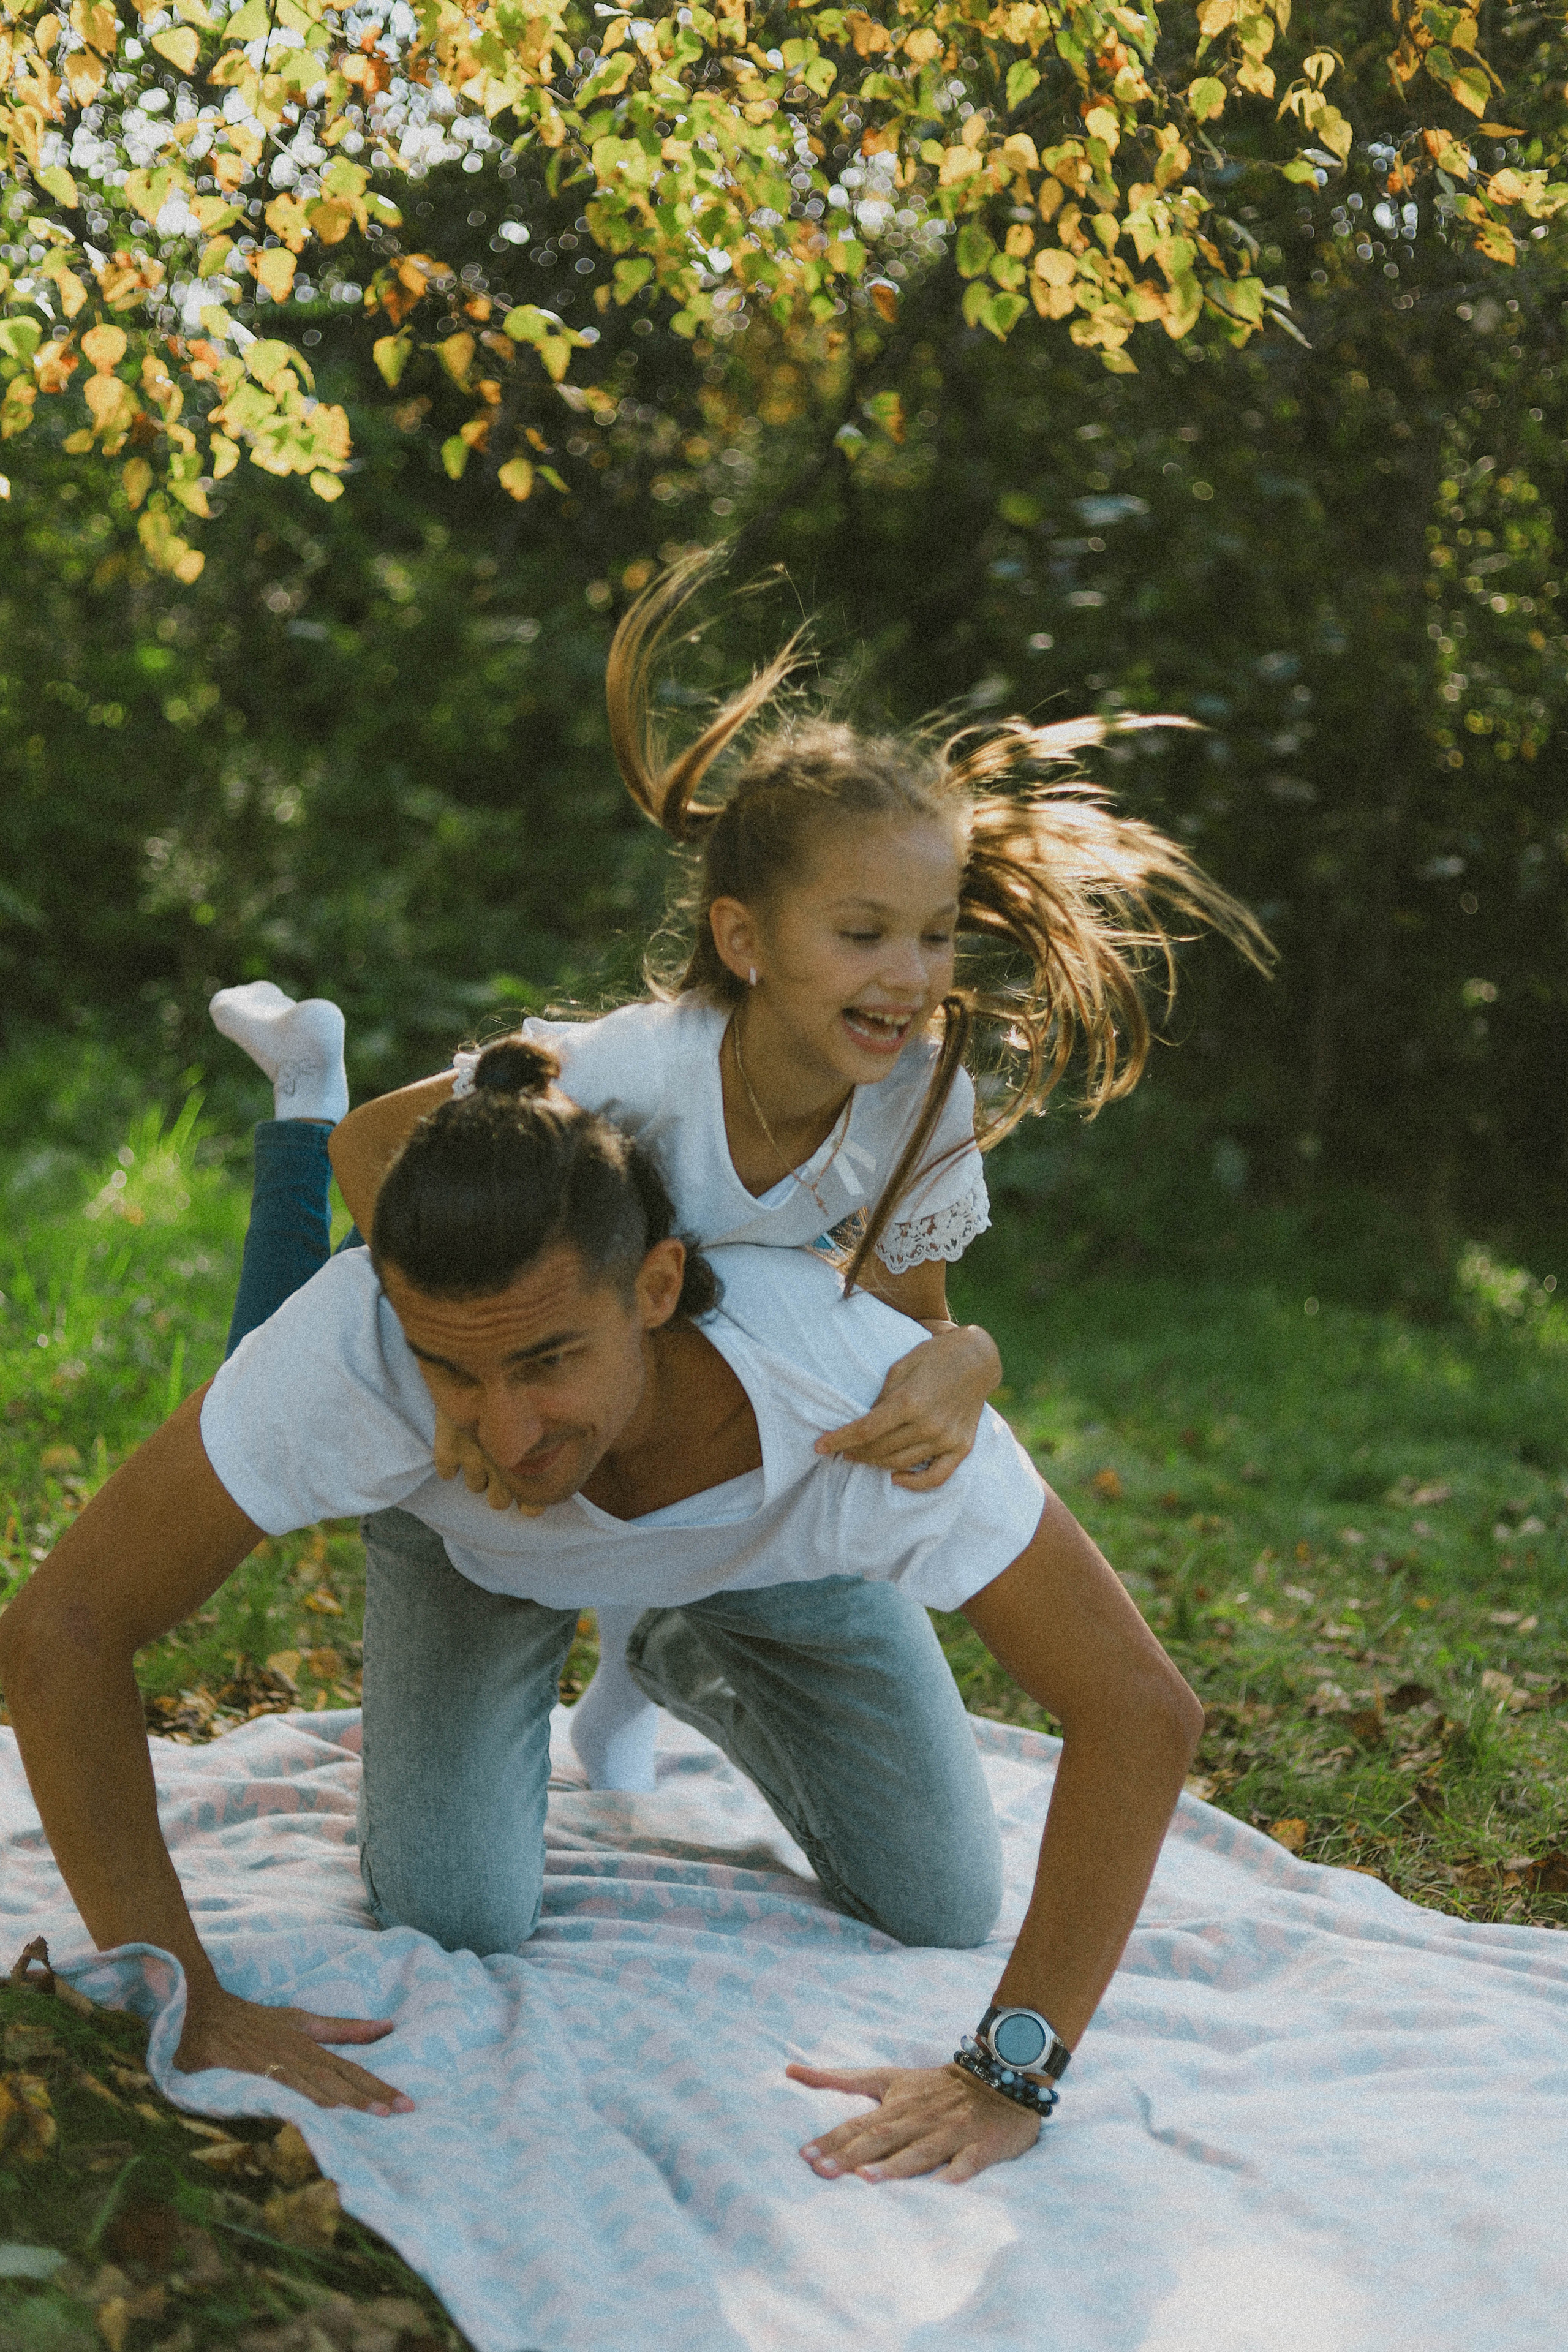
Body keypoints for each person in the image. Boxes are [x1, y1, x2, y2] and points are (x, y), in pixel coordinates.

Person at [0, 1045, 1202, 2185]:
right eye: (455, 1372)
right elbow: (63, 1629)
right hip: (477, 1555)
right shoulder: (354, 1349)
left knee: (942, 1899)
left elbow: (1139, 1709)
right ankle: (601, 1609)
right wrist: (185, 1993)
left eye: (548, 1361)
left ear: (657, 1286)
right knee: (457, 1911)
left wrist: (1010, 2076)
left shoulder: (846, 1375)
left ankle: (668, 1641)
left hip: (767, 1556)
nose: (507, 1428)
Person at [217, 552, 1268, 1792]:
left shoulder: (920, 1091)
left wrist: (967, 1360)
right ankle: (299, 1078)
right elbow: (376, 1154)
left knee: (658, 1405)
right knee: (259, 1362)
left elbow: (902, 1316)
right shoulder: (630, 1075)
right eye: (862, 933)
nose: (910, 974)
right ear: (743, 939)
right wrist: (456, 1391)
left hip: (640, 1361)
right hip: (477, 1280)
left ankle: (639, 1654)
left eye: (932, 936)